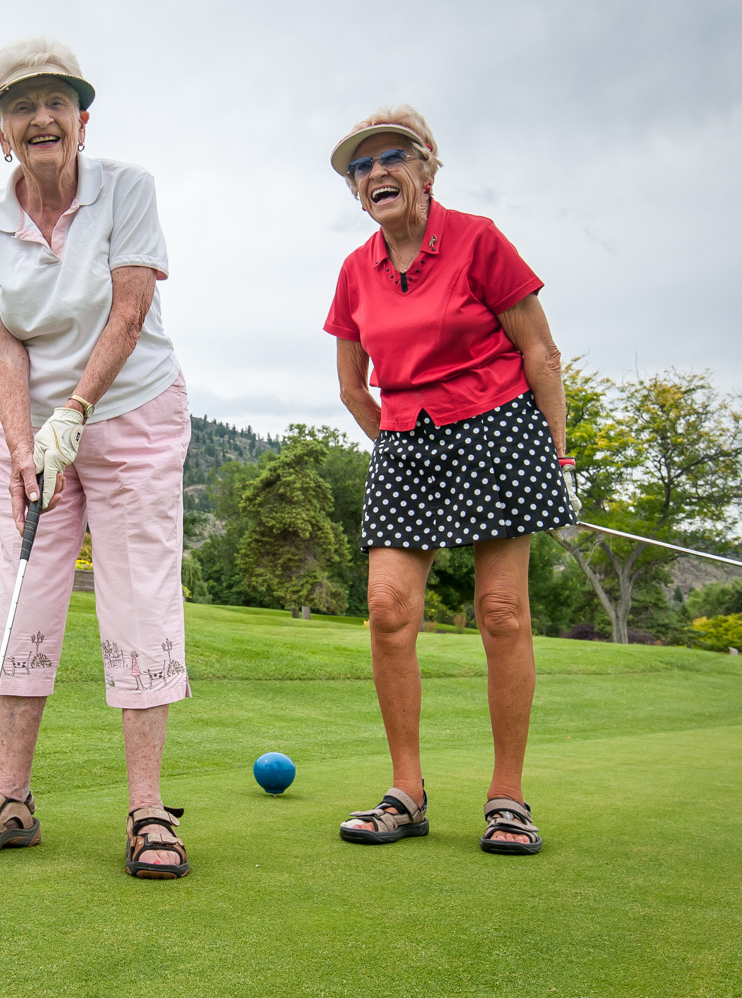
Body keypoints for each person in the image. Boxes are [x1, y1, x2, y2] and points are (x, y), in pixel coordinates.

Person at [0, 36, 193, 879]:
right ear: (0, 132)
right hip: (36, 431)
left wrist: (76, 411)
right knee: (23, 597)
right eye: (20, 106)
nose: (40, 117)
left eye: (56, 102)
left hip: (133, 411)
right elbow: (0, 344)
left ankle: (148, 807)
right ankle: (11, 798)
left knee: (139, 598)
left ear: (82, 118)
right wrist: (21, 443)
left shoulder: (128, 189)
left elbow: (130, 305)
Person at [324, 106, 577, 855]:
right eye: (360, 167)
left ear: (428, 166)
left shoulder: (478, 240)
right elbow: (351, 387)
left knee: (501, 610)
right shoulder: (354, 271)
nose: (376, 174)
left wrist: (559, 461)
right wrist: (405, 444)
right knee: (387, 610)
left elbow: (542, 354)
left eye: (390, 157)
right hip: (407, 445)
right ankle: (407, 793)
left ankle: (508, 798)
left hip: (497, 430)